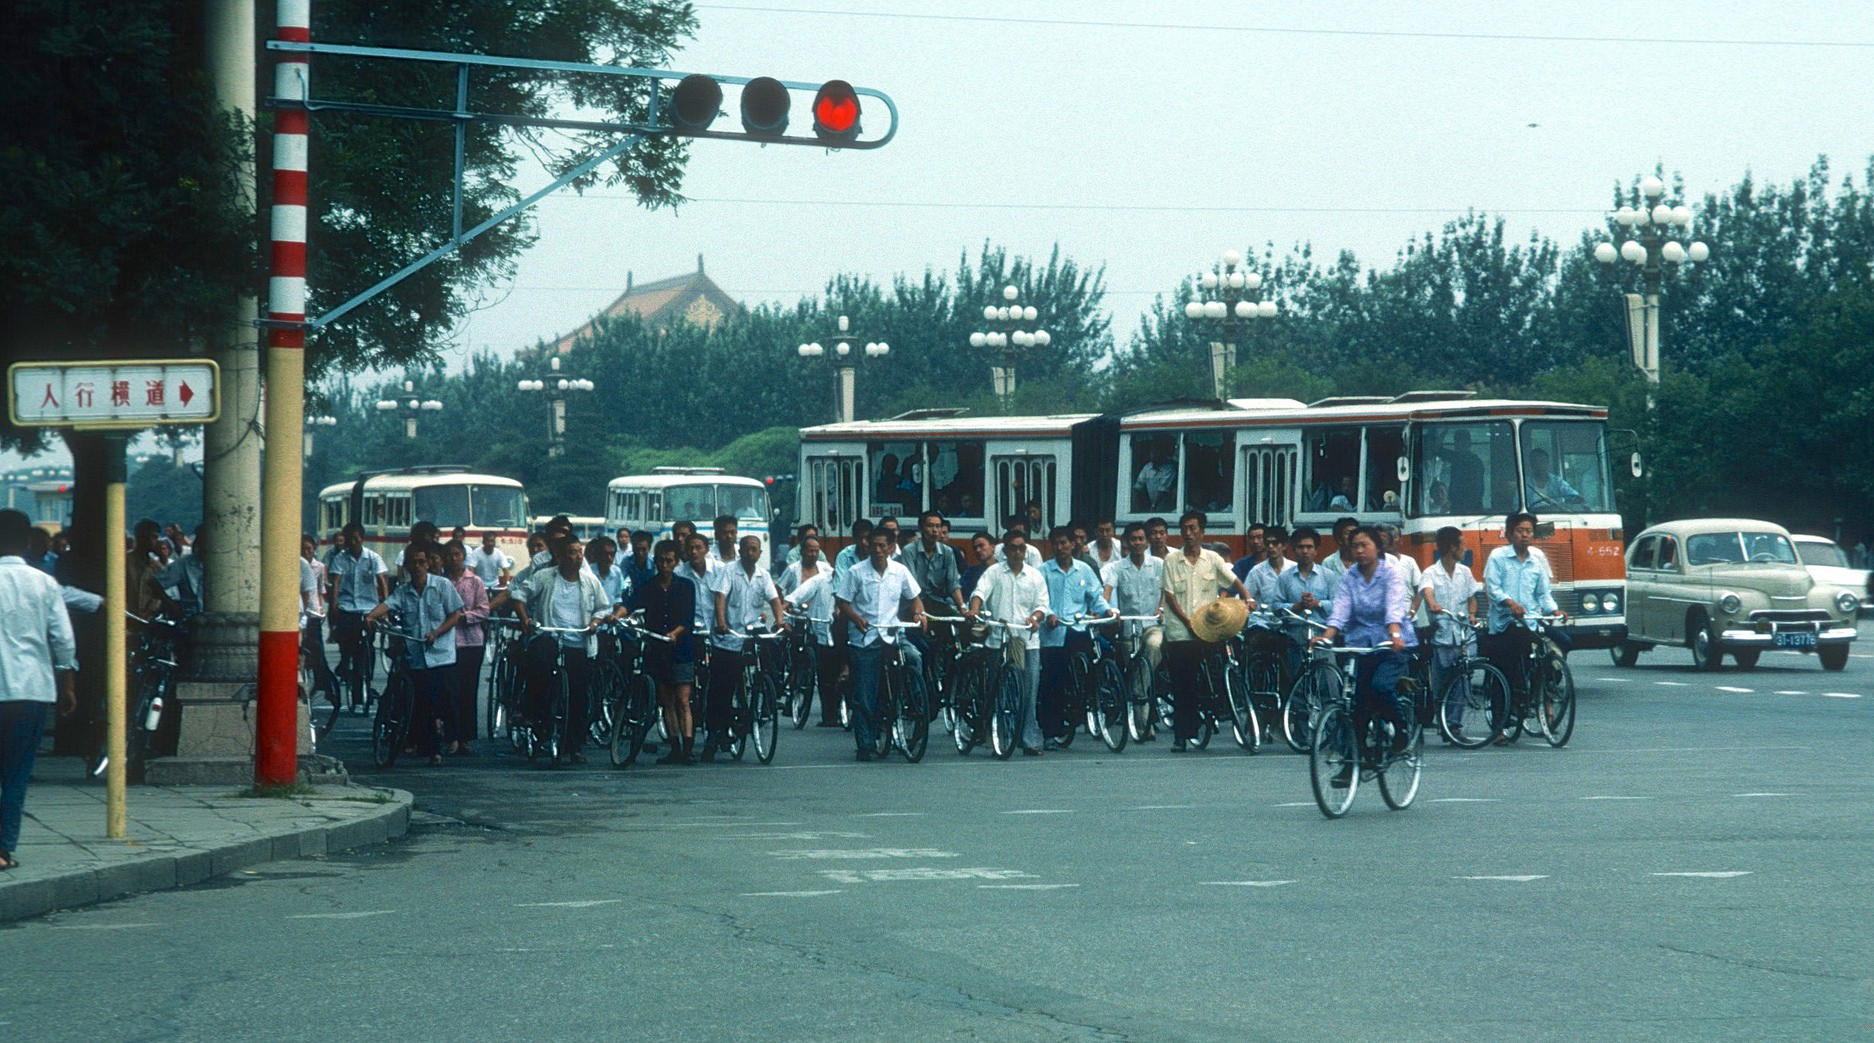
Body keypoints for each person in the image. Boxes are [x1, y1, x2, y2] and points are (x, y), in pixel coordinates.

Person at [1308, 525, 1417, 787]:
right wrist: (1328, 635)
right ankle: (1352, 763)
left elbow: (1394, 604)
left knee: (1380, 687)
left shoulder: (1390, 573)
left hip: (1390, 643)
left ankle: (1402, 733)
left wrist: (1394, 632)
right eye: (1354, 546)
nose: (1358, 551)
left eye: (1364, 545)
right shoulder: (1349, 577)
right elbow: (1342, 607)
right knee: (1355, 705)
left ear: (1377, 547)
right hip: (1359, 644)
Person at [0, 509, 77, 871]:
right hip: (31, 688)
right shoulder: (43, 582)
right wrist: (68, 685)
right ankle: (2, 849)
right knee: (17, 771)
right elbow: (63, 640)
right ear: (29, 541)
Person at [509, 535, 609, 763]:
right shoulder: (544, 577)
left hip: (578, 640)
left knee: (578, 695)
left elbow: (603, 607)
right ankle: (536, 718)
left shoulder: (589, 581)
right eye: (572, 552)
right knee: (540, 670)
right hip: (550, 636)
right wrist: (524, 618)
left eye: (579, 552)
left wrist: (595, 623)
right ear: (561, 556)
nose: (577, 557)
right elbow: (518, 595)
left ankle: (574, 746)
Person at [1160, 511, 1253, 752]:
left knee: (1217, 666)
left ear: (1202, 532)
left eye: (1193, 528)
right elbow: (1169, 596)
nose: (1188, 533)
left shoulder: (1212, 558)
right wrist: (1187, 621)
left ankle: (1218, 705)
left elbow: (1232, 580)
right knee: (1183, 682)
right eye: (1184, 529)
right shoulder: (1171, 560)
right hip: (1180, 629)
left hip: (1208, 626)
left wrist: (1247, 597)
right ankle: (1182, 735)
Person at [365, 541, 463, 766]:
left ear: (428, 563)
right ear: (407, 566)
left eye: (422, 562)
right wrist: (371, 616)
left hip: (441, 655)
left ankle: (443, 741)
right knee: (422, 703)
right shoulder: (403, 592)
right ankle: (430, 748)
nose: (418, 567)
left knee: (439, 702)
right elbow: (388, 605)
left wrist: (437, 632)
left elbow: (455, 614)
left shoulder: (442, 586)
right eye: (413, 563)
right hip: (416, 655)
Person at [835, 526, 926, 761]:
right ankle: (865, 744)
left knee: (915, 656)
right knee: (865, 692)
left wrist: (919, 614)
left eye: (882, 545)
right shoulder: (856, 572)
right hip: (865, 637)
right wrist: (856, 618)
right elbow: (843, 601)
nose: (877, 550)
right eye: (873, 545)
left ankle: (914, 701)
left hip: (892, 633)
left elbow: (915, 598)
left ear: (890, 547)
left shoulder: (900, 571)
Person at [705, 534, 788, 760]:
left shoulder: (763, 575)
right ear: (740, 551)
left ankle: (771, 691)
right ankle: (714, 735)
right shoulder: (729, 571)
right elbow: (720, 597)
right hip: (730, 633)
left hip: (752, 630)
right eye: (747, 549)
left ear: (760, 553)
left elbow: (774, 600)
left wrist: (779, 621)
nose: (751, 553)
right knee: (722, 687)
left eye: (755, 549)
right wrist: (721, 623)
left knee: (773, 646)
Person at [967, 530, 1048, 755]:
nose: (1017, 552)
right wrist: (974, 610)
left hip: (1027, 640)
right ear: (1005, 550)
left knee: (1029, 692)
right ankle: (1000, 739)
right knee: (999, 691)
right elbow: (979, 593)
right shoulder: (994, 572)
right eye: (1013, 547)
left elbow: (1042, 605)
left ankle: (1029, 740)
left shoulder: (1034, 576)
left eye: (1021, 548)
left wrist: (1035, 618)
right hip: (998, 639)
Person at [1482, 512, 1564, 736]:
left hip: (1530, 623)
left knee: (1562, 642)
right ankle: (1499, 725)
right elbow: (1493, 587)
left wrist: (1554, 610)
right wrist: (1510, 604)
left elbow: (1543, 596)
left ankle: (1542, 693)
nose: (1525, 535)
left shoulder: (1536, 563)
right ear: (1509, 534)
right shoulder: (1498, 557)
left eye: (1529, 531)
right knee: (1505, 671)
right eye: (1520, 531)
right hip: (1504, 624)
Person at [1037, 525, 1115, 747]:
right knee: (1053, 680)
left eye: (1064, 543)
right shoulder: (1044, 571)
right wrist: (1049, 615)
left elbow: (1095, 596)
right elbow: (1040, 600)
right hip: (1054, 632)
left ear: (1073, 544)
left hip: (1079, 628)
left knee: (1102, 656)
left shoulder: (1084, 570)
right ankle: (1050, 731)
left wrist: (1107, 610)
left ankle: (1094, 703)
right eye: (1056, 543)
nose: (1060, 547)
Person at [629, 539, 697, 764]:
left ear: (676, 562)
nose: (664, 565)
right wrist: (617, 615)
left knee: (683, 700)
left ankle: (687, 749)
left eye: (669, 561)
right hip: (657, 649)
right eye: (660, 561)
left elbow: (688, 618)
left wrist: (675, 633)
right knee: (667, 700)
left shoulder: (686, 586)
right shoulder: (648, 587)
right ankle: (675, 747)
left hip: (682, 649)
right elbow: (630, 603)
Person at [1103, 523, 1165, 740]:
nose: (1137, 543)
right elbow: (1108, 591)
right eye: (1133, 539)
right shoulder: (1118, 568)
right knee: (1137, 672)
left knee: (1154, 648)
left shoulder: (1158, 564)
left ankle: (1144, 725)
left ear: (1147, 541)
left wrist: (1161, 608)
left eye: (1141, 539)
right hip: (1129, 630)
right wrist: (1109, 609)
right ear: (1126, 543)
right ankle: (1144, 726)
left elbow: (1167, 590)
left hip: (1152, 625)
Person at [1418, 526, 1480, 738]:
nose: (1465, 548)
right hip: (1442, 634)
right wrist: (1433, 604)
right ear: (1452, 547)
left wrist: (1472, 614)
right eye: (1462, 544)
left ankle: (1454, 725)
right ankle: (1443, 720)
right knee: (1441, 682)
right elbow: (1427, 592)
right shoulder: (1431, 573)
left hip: (1463, 634)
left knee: (1462, 679)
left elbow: (1472, 598)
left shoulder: (1465, 572)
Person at [326, 522, 391, 710]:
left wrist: (385, 606)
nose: (353, 542)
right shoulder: (340, 559)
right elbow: (336, 582)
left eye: (357, 538)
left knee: (368, 648)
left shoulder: (373, 557)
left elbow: (382, 581)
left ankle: (368, 683)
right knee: (348, 644)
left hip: (368, 609)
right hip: (347, 608)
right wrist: (335, 604)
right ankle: (345, 663)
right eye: (350, 539)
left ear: (362, 538)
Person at [780, 536, 841, 727]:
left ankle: (840, 712)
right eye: (809, 550)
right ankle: (796, 691)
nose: (813, 554)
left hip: (838, 631)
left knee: (838, 672)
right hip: (813, 626)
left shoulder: (841, 577)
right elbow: (792, 595)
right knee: (806, 661)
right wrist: (783, 611)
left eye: (817, 550)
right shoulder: (819, 579)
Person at [442, 539, 490, 754]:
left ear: (463, 557)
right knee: (450, 690)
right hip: (447, 642)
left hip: (472, 641)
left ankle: (465, 737)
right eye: (450, 555)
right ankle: (451, 736)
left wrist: (462, 617)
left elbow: (483, 610)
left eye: (457, 555)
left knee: (468, 690)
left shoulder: (475, 582)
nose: (454, 559)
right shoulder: (441, 582)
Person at [1241, 525, 1295, 690]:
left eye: (1275, 543)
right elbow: (1246, 596)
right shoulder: (1257, 571)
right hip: (1263, 622)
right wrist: (1249, 603)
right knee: (1255, 646)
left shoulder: (1293, 569)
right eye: (1268, 543)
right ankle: (1253, 689)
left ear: (1284, 545)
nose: (1271, 547)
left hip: (1288, 621)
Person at [1438, 430, 1486, 513]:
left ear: (1468, 443)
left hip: (1466, 506)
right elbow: (1436, 448)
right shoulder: (1475, 460)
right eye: (1456, 441)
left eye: (1460, 442)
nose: (1456, 445)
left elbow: (1436, 448)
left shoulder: (1458, 458)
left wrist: (1446, 427)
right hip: (1468, 507)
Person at [1317, 516, 1360, 586]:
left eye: (1356, 533)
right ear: (1339, 538)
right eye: (1348, 533)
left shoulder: (1365, 561)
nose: (1353, 537)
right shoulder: (1329, 563)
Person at [1133, 444, 1177, 512]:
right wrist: (1135, 505)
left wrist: (1154, 506)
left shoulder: (1169, 468)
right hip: (1153, 507)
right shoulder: (1147, 467)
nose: (1154, 454)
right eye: (1152, 452)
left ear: (1162, 453)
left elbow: (1163, 489)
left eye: (1157, 452)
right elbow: (1138, 486)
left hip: (1169, 509)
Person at [960, 533, 995, 602]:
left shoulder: (1003, 570)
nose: (978, 550)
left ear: (992, 547)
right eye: (975, 547)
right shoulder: (971, 573)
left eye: (981, 546)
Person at [620, 528, 656, 593]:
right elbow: (620, 580)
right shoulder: (627, 561)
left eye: (644, 549)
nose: (640, 553)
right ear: (632, 548)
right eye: (637, 549)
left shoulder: (655, 563)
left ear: (649, 548)